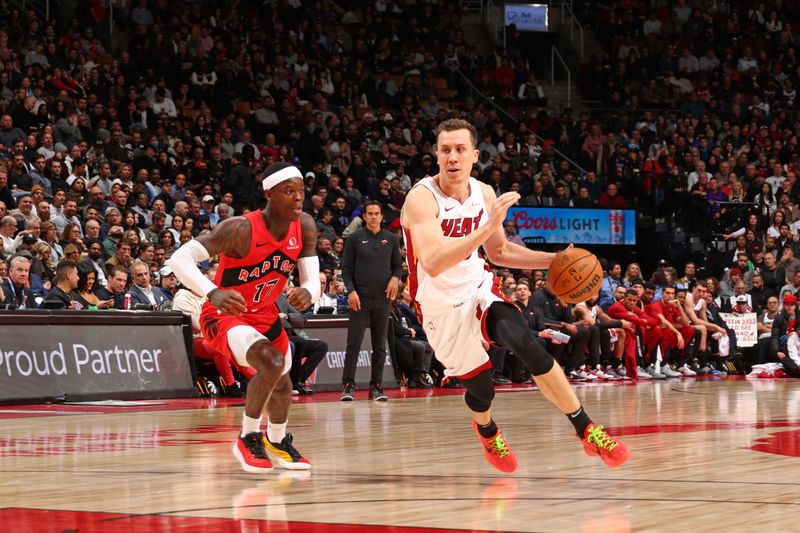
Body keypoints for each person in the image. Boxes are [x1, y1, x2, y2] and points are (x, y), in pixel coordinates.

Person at [399, 119, 629, 473]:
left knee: (523, 341)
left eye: (460, 149)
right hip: (440, 306)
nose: (452, 157)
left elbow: (500, 253)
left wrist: (557, 261)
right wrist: (487, 227)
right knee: (482, 390)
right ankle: (487, 429)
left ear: (474, 155)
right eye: (445, 150)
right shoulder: (421, 197)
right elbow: (431, 262)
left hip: (479, 290)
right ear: (436, 154)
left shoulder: (484, 193)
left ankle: (586, 428)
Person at [168, 162, 319, 473]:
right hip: (225, 314)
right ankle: (248, 436)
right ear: (269, 194)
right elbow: (179, 259)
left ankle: (276, 440)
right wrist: (212, 292)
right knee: (273, 362)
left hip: (265, 314)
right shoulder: (240, 229)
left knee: (282, 382)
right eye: (289, 192)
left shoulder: (304, 225)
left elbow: (312, 280)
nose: (298, 198)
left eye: (301, 191)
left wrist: (309, 292)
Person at [339, 201, 402, 401]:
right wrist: (351, 291)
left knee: (380, 346)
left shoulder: (391, 239)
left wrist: (395, 278)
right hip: (360, 299)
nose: (373, 217)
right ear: (364, 216)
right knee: (354, 344)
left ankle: (376, 386)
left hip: (383, 300)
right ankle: (348, 386)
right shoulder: (354, 239)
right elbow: (346, 269)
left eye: (377, 213)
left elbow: (398, 267)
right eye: (370, 213)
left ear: (382, 216)